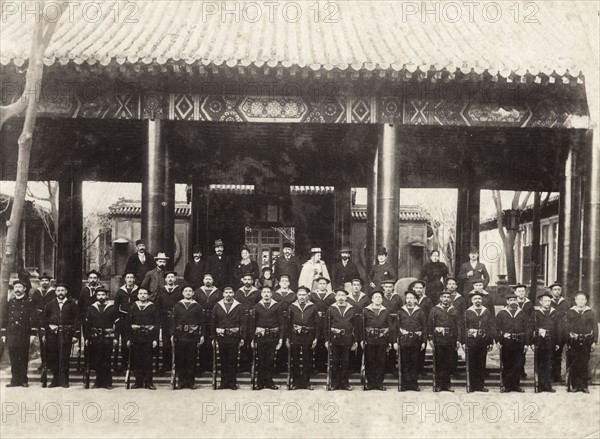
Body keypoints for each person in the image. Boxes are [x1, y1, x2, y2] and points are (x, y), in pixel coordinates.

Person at [40, 283, 80, 388]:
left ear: (66, 291)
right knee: (54, 357)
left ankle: (64, 380)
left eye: (62, 290)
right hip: (53, 335)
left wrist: (76, 335)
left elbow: (77, 320)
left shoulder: (72, 304)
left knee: (64, 357)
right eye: (58, 290)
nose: (60, 293)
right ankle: (55, 380)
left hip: (66, 334)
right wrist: (44, 333)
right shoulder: (50, 304)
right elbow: (44, 319)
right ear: (55, 292)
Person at [1, 281, 36, 387]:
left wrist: (33, 333)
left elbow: (33, 319)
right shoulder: (10, 302)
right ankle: (14, 380)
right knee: (13, 357)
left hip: (23, 332)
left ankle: (23, 380)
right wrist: (3, 333)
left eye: (20, 287)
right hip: (12, 333)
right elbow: (5, 319)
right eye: (16, 287)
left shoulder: (29, 302)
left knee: (23, 357)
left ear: (24, 289)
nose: (17, 289)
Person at [84, 287, 118, 389]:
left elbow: (117, 324)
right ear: (96, 296)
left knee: (107, 359)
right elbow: (87, 325)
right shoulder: (91, 308)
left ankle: (108, 382)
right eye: (99, 295)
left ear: (106, 296)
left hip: (108, 337)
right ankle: (98, 382)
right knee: (97, 360)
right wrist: (87, 337)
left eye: (103, 295)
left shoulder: (112, 308)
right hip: (95, 338)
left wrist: (116, 337)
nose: (101, 297)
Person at [496, 293, 531, 392]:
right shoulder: (501, 313)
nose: (513, 302)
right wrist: (498, 339)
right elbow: (496, 328)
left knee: (518, 364)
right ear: (507, 302)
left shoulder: (522, 313)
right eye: (511, 300)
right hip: (506, 342)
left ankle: (516, 385)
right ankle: (506, 385)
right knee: (507, 364)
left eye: (515, 300)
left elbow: (527, 329)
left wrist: (526, 343)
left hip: (519, 342)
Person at [462, 290, 496, 392]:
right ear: (471, 300)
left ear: (482, 300)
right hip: (471, 341)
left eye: (479, 299)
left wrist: (490, 341)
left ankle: (480, 385)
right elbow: (464, 328)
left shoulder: (486, 312)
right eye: (475, 299)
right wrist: (464, 342)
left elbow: (490, 327)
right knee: (472, 363)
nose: (477, 300)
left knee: (481, 363)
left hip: (483, 340)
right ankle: (472, 385)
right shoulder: (467, 312)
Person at [564, 291, 597, 393]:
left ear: (586, 301)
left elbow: (595, 327)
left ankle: (583, 386)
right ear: (575, 300)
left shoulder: (590, 312)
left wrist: (594, 341)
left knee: (584, 363)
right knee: (574, 363)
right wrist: (567, 340)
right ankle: (574, 386)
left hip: (586, 341)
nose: (581, 301)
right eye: (579, 299)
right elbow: (565, 327)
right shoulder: (570, 312)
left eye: (583, 299)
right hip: (574, 341)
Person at [172, 285, 204, 389]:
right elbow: (173, 321)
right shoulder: (177, 306)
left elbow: (202, 322)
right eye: (186, 291)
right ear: (182, 293)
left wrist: (202, 335)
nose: (188, 293)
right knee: (180, 359)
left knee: (191, 359)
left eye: (190, 291)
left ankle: (191, 381)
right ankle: (181, 381)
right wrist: (172, 334)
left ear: (193, 293)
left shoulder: (198, 306)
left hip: (192, 336)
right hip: (180, 336)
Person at [252, 286, 284, 390]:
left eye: (268, 292)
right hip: (261, 336)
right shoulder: (257, 306)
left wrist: (280, 338)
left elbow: (281, 323)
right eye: (264, 292)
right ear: (261, 294)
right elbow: (253, 324)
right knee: (261, 360)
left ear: (271, 294)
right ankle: (260, 382)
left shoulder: (277, 306)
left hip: (273, 336)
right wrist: (253, 339)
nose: (266, 294)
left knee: (270, 360)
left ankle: (269, 382)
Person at [325, 288, 358, 390]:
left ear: (346, 297)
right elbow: (326, 325)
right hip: (334, 339)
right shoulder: (331, 309)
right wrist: (327, 340)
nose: (341, 298)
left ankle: (344, 383)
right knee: (334, 362)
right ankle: (334, 383)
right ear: (335, 297)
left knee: (346, 362)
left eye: (343, 295)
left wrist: (355, 340)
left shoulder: (351, 309)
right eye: (339, 295)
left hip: (347, 339)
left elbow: (355, 326)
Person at [428, 291, 461, 392]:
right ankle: (438, 385)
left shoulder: (454, 311)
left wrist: (458, 339)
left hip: (450, 340)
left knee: (448, 363)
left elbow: (458, 326)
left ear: (450, 299)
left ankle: (447, 385)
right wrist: (430, 338)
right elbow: (430, 325)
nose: (446, 299)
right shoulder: (434, 310)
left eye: (448, 297)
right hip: (439, 340)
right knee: (439, 363)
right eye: (444, 297)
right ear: (440, 298)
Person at [127, 287, 159, 390]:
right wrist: (128, 338)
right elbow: (128, 323)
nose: (143, 295)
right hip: (136, 337)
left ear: (148, 296)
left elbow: (156, 324)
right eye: (140, 293)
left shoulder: (153, 307)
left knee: (148, 360)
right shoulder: (132, 307)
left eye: (145, 293)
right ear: (137, 295)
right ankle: (138, 382)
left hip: (148, 337)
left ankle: (149, 382)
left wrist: (155, 339)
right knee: (137, 360)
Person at [213, 286, 245, 390]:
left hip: (233, 336)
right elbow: (214, 322)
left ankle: (232, 383)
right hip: (221, 336)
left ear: (233, 294)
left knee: (232, 360)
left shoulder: (238, 306)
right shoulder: (218, 306)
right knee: (223, 360)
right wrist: (213, 337)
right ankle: (223, 382)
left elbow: (243, 323)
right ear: (223, 294)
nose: (228, 294)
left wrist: (242, 337)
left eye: (230, 292)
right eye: (226, 292)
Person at [396, 290, 427, 391]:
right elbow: (397, 326)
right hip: (404, 340)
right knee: (405, 362)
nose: (409, 300)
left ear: (415, 300)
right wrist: (396, 341)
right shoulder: (400, 311)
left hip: (416, 340)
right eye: (407, 298)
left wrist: (423, 341)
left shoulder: (420, 311)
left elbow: (424, 327)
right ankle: (404, 384)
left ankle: (414, 384)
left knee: (414, 362)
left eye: (411, 298)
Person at [287, 286, 318, 390]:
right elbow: (288, 323)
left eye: (304, 295)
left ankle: (306, 382)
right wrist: (288, 337)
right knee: (295, 359)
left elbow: (316, 323)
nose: (302, 297)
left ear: (307, 295)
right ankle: (295, 382)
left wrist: (316, 338)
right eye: (300, 295)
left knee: (307, 359)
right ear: (297, 295)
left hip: (308, 336)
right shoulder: (292, 306)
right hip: (295, 336)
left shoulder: (313, 307)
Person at [362, 291, 392, 390]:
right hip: (369, 340)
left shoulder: (385, 311)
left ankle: (379, 383)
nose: (378, 299)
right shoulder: (366, 311)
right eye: (376, 297)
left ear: (382, 299)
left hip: (382, 340)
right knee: (370, 361)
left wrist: (389, 341)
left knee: (381, 362)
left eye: (380, 297)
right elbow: (362, 326)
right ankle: (370, 383)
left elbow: (389, 326)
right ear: (372, 299)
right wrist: (362, 339)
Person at [194, 273, 222, 374]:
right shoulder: (197, 292)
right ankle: (201, 365)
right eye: (206, 279)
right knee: (202, 341)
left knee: (211, 341)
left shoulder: (218, 292)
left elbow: (220, 306)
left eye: (210, 279)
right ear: (203, 280)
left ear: (213, 281)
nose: (208, 281)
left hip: (213, 318)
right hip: (201, 318)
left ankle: (210, 365)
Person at [532, 290, 560, 393]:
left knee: (549, 363)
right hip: (540, 341)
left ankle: (548, 386)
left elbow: (558, 328)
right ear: (541, 302)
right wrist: (533, 340)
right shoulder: (536, 313)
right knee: (540, 363)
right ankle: (540, 385)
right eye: (545, 301)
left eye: (549, 301)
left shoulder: (554, 312)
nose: (547, 303)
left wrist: (557, 342)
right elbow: (532, 327)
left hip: (551, 341)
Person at [155, 271, 182, 372]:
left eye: (172, 277)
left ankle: (178, 365)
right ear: (165, 279)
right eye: (168, 277)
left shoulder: (179, 290)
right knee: (166, 343)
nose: (170, 279)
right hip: (165, 319)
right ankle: (166, 364)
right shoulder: (161, 290)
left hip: (177, 319)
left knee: (178, 341)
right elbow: (158, 305)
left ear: (175, 279)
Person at [235, 273, 261, 372]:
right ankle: (242, 365)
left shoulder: (257, 293)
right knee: (242, 339)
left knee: (251, 340)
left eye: (249, 279)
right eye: (245, 279)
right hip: (241, 319)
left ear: (252, 281)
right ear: (242, 280)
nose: (247, 281)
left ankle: (251, 364)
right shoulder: (238, 292)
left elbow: (259, 306)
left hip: (252, 319)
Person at [113, 271, 139, 373]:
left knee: (134, 342)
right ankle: (124, 364)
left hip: (135, 320)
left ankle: (133, 364)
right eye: (128, 277)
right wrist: (117, 319)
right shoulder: (120, 291)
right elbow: (116, 306)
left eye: (131, 277)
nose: (130, 279)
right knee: (124, 343)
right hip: (123, 320)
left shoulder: (138, 290)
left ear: (134, 279)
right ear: (125, 279)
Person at [309, 276, 335, 373]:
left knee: (326, 342)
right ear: (317, 284)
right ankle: (316, 366)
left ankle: (325, 365)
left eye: (324, 284)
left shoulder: (331, 296)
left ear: (327, 285)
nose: (322, 285)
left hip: (327, 321)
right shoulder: (313, 295)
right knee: (317, 342)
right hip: (316, 321)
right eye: (320, 283)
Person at [30, 272, 55, 372]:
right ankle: (44, 363)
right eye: (43, 281)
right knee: (42, 342)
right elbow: (33, 306)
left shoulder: (53, 292)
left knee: (52, 342)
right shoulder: (36, 292)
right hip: (40, 320)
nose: (44, 283)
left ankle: (52, 363)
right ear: (40, 282)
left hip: (51, 320)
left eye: (46, 281)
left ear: (50, 282)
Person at [272, 274, 296, 372]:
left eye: (286, 281)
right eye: (283, 281)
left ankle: (288, 364)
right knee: (279, 340)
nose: (285, 282)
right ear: (280, 283)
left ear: (289, 283)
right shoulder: (275, 295)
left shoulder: (293, 295)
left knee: (288, 340)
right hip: (278, 320)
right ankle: (278, 365)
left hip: (290, 320)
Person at [347, 277, 369, 373]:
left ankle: (360, 365)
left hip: (362, 323)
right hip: (350, 323)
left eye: (358, 285)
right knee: (351, 342)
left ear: (361, 287)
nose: (356, 287)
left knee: (361, 343)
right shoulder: (347, 298)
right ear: (351, 286)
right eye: (354, 285)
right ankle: (351, 366)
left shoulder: (365, 298)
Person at [410, 280, 431, 377]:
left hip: (423, 327)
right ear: (413, 288)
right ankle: (412, 369)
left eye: (420, 288)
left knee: (422, 348)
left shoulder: (427, 300)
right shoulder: (409, 299)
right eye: (416, 288)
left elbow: (430, 315)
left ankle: (420, 368)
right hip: (411, 327)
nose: (418, 290)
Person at [548, 281, 568, 382]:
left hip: (561, 332)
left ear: (561, 291)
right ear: (551, 291)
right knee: (550, 353)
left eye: (558, 290)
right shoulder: (548, 302)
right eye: (554, 290)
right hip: (551, 332)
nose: (556, 292)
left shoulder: (565, 303)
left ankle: (557, 375)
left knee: (559, 354)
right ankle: (550, 375)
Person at [513, 283, 534, 378]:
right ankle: (515, 371)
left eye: (523, 291)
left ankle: (521, 370)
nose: (521, 293)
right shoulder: (512, 302)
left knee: (522, 352)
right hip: (514, 330)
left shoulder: (529, 304)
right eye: (519, 291)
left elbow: (532, 318)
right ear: (515, 292)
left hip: (524, 330)